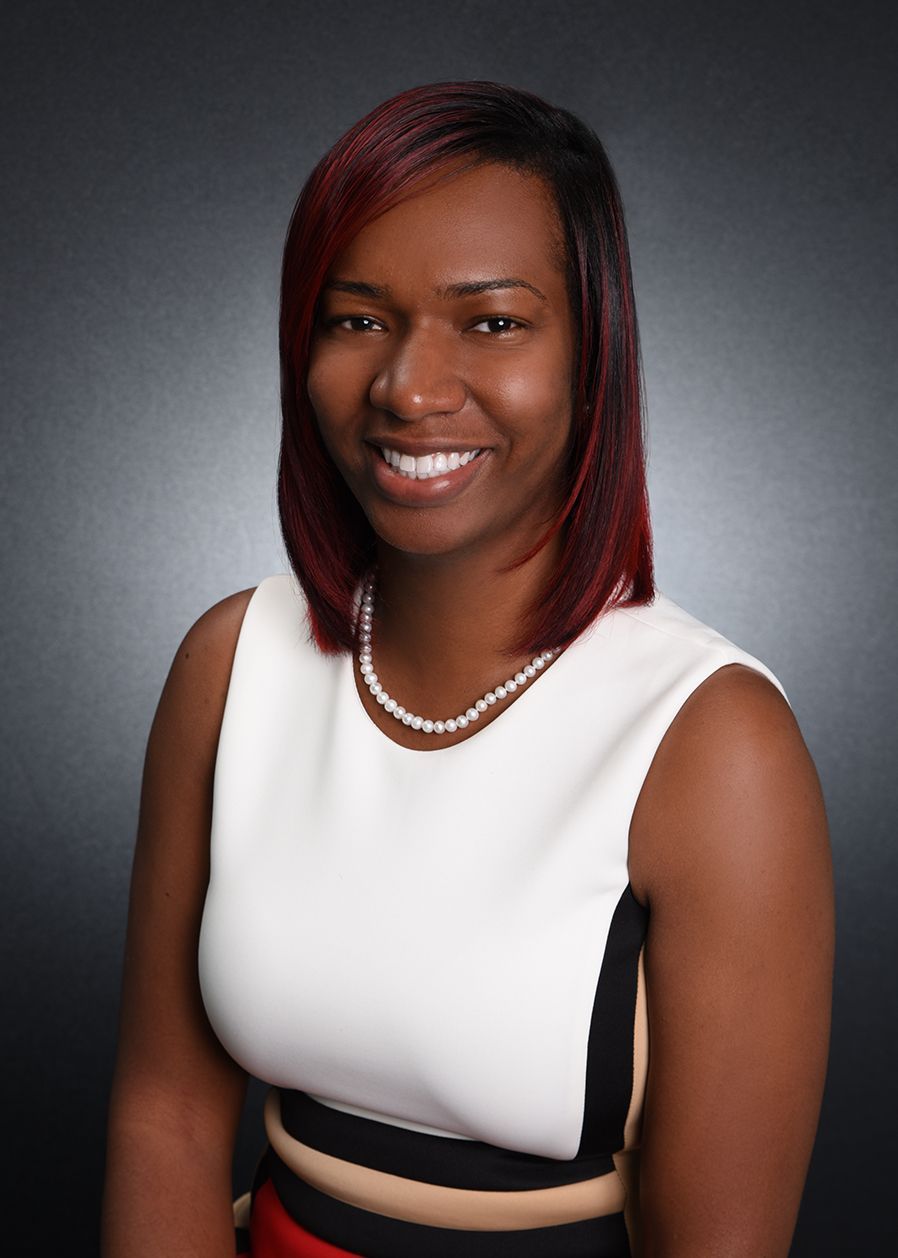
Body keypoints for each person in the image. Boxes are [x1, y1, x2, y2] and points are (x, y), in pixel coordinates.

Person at [101, 82, 833, 1258]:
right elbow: (165, 1122)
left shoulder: (709, 740)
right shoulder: (231, 661)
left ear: (595, 355)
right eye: (356, 319)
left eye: (491, 322)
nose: (408, 387)